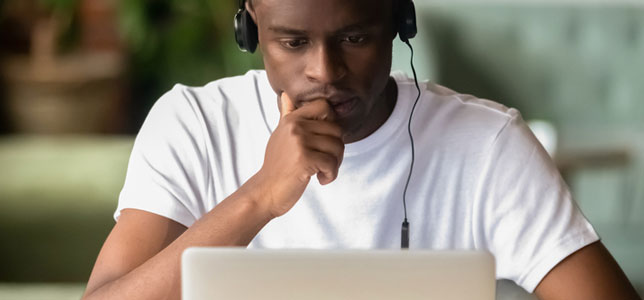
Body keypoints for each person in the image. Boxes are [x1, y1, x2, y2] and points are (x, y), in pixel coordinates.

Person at [82, 0, 641, 299]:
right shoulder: (194, 124)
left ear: (399, 21)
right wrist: (259, 198)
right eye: (293, 42)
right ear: (250, 24)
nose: (325, 72)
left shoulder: (487, 146)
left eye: (355, 38)